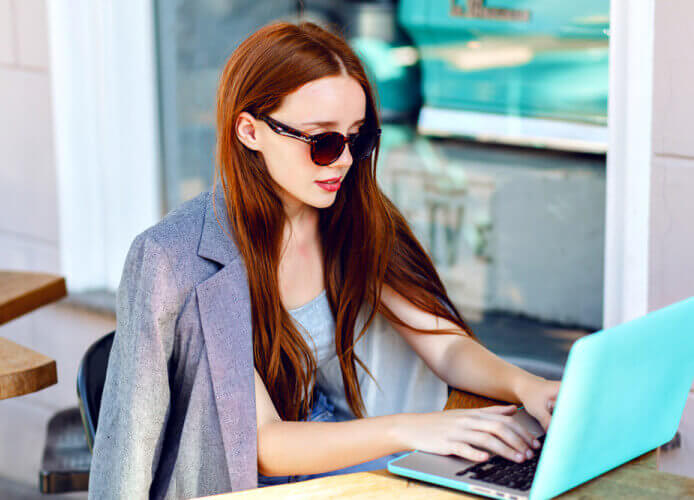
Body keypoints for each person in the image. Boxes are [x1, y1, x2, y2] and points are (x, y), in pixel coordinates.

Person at [88, 20, 561, 500]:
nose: (344, 161)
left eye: (357, 138)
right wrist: (414, 431)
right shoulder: (175, 256)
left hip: (347, 458)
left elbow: (444, 344)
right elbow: (260, 444)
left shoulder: (352, 216)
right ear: (250, 131)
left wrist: (529, 386)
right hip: (248, 483)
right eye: (324, 141)